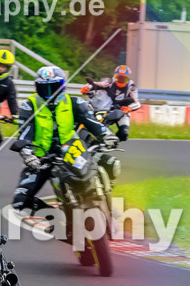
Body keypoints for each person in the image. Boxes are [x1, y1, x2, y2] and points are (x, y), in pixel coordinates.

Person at [12, 66, 118, 214]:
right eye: (44, 88)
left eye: (54, 87)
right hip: (41, 158)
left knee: (105, 165)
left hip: (72, 151)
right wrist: (27, 153)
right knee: (20, 201)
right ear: (37, 87)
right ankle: (54, 217)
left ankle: (108, 206)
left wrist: (107, 135)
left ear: (62, 86)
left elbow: (92, 123)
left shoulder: (76, 103)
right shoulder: (29, 106)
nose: (50, 92)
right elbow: (24, 133)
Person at [81, 65, 140, 141]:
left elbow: (137, 103)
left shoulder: (131, 87)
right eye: (118, 77)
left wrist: (128, 108)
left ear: (128, 78)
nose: (120, 80)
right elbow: (97, 84)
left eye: (123, 78)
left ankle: (113, 142)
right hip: (107, 108)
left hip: (122, 111)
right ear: (115, 76)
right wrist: (87, 87)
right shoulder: (110, 82)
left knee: (124, 133)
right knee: (93, 122)